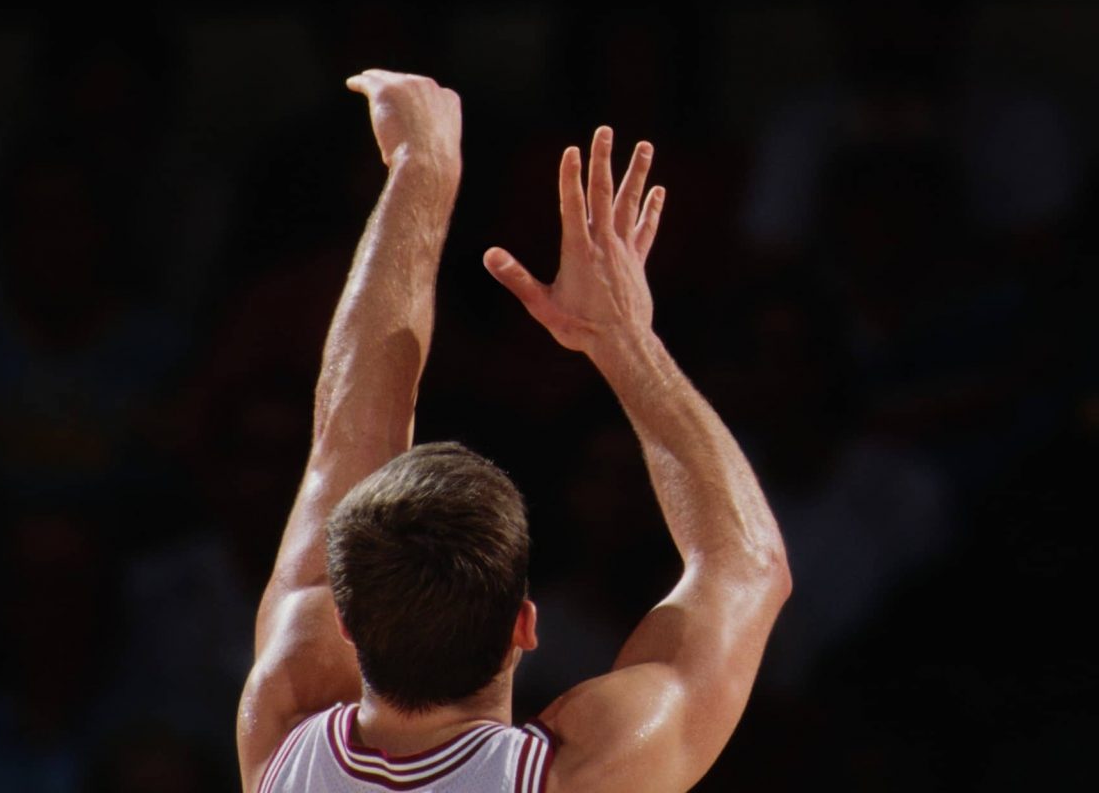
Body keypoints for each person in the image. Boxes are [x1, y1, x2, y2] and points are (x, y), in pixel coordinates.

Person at [236, 72, 791, 793]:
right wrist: (623, 340)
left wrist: (421, 172)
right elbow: (746, 565)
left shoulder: (280, 727)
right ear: (526, 625)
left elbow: (346, 433)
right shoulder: (582, 775)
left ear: (347, 622)